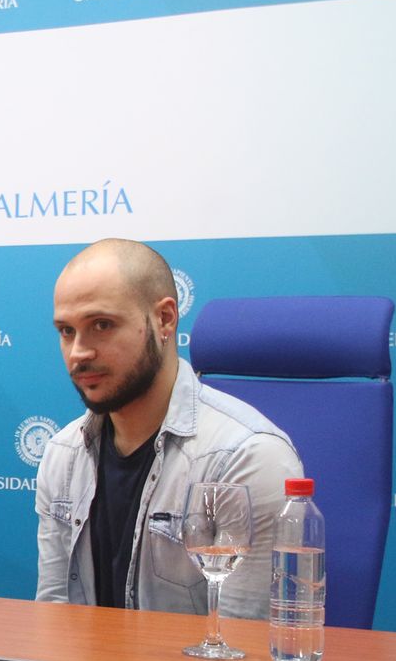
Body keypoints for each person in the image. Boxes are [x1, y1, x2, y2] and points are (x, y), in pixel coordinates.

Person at [35, 239, 301, 619]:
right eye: (66, 331)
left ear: (164, 319)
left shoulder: (248, 458)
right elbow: (55, 619)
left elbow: (243, 647)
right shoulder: (63, 454)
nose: (79, 351)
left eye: (102, 325)